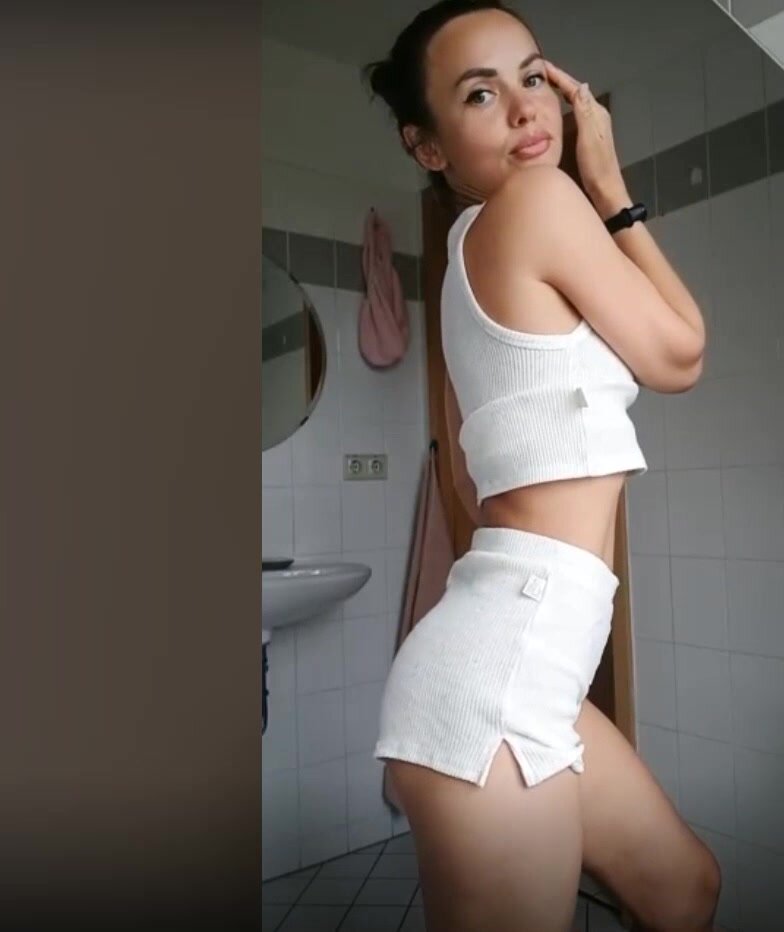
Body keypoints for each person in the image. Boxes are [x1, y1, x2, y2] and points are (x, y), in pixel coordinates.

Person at [365, 2, 721, 931]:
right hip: (499, 679)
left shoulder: (464, 256)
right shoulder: (541, 201)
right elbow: (680, 355)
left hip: (521, 660)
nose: (527, 108)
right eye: (480, 94)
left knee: (685, 890)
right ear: (427, 145)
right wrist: (605, 181)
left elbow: (472, 474)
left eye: (532, 77)